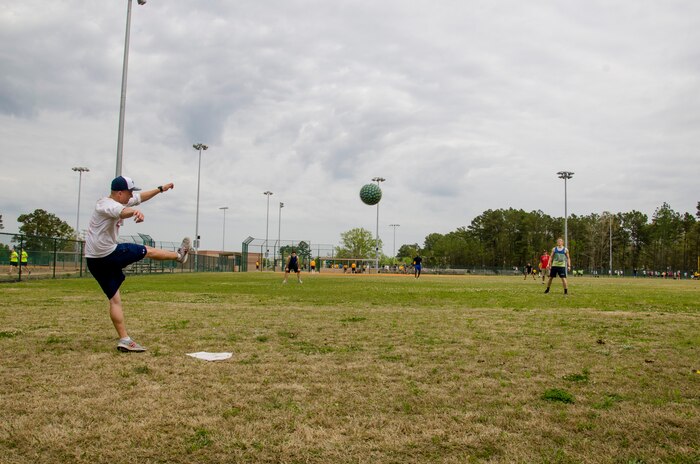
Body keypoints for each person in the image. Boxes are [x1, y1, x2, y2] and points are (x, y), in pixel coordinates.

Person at [85, 176, 191, 353]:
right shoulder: (105, 204)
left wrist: (160, 188)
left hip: (93, 260)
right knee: (145, 250)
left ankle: (124, 339)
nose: (131, 196)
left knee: (115, 299)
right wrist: (134, 212)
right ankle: (179, 256)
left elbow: (141, 197)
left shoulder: (119, 201)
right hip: (108, 254)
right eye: (129, 192)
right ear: (120, 193)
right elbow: (121, 211)